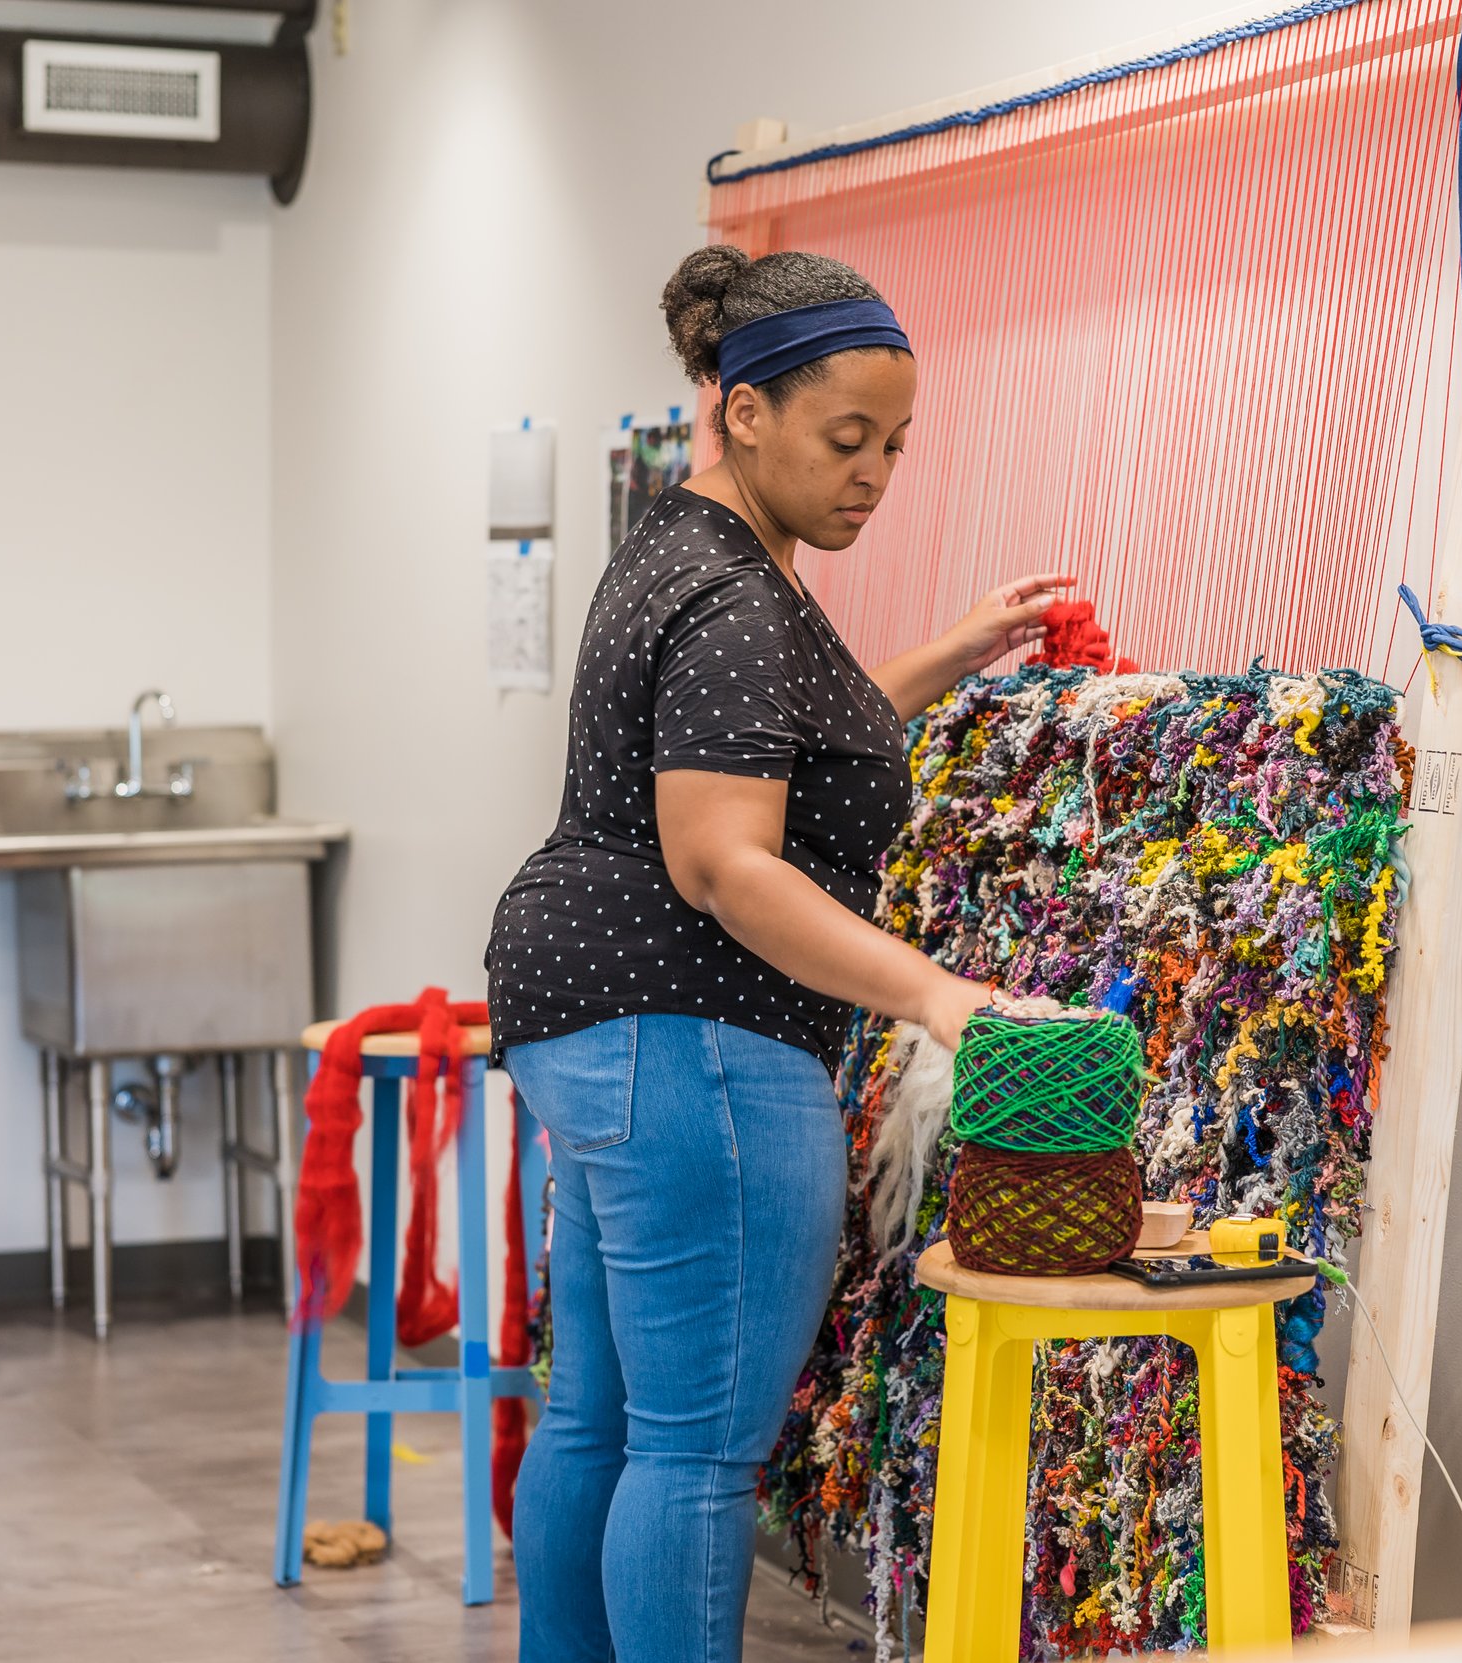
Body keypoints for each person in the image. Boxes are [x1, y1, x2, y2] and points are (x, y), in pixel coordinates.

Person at [484, 245, 1073, 1663]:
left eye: (895, 445)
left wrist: (956, 651)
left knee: (605, 1420)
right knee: (694, 1461)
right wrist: (944, 996)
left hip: (591, 1016)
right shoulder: (742, 594)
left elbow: (776, 745)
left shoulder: (683, 550)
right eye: (844, 438)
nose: (873, 473)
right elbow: (723, 859)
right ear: (742, 410)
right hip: (693, 1033)